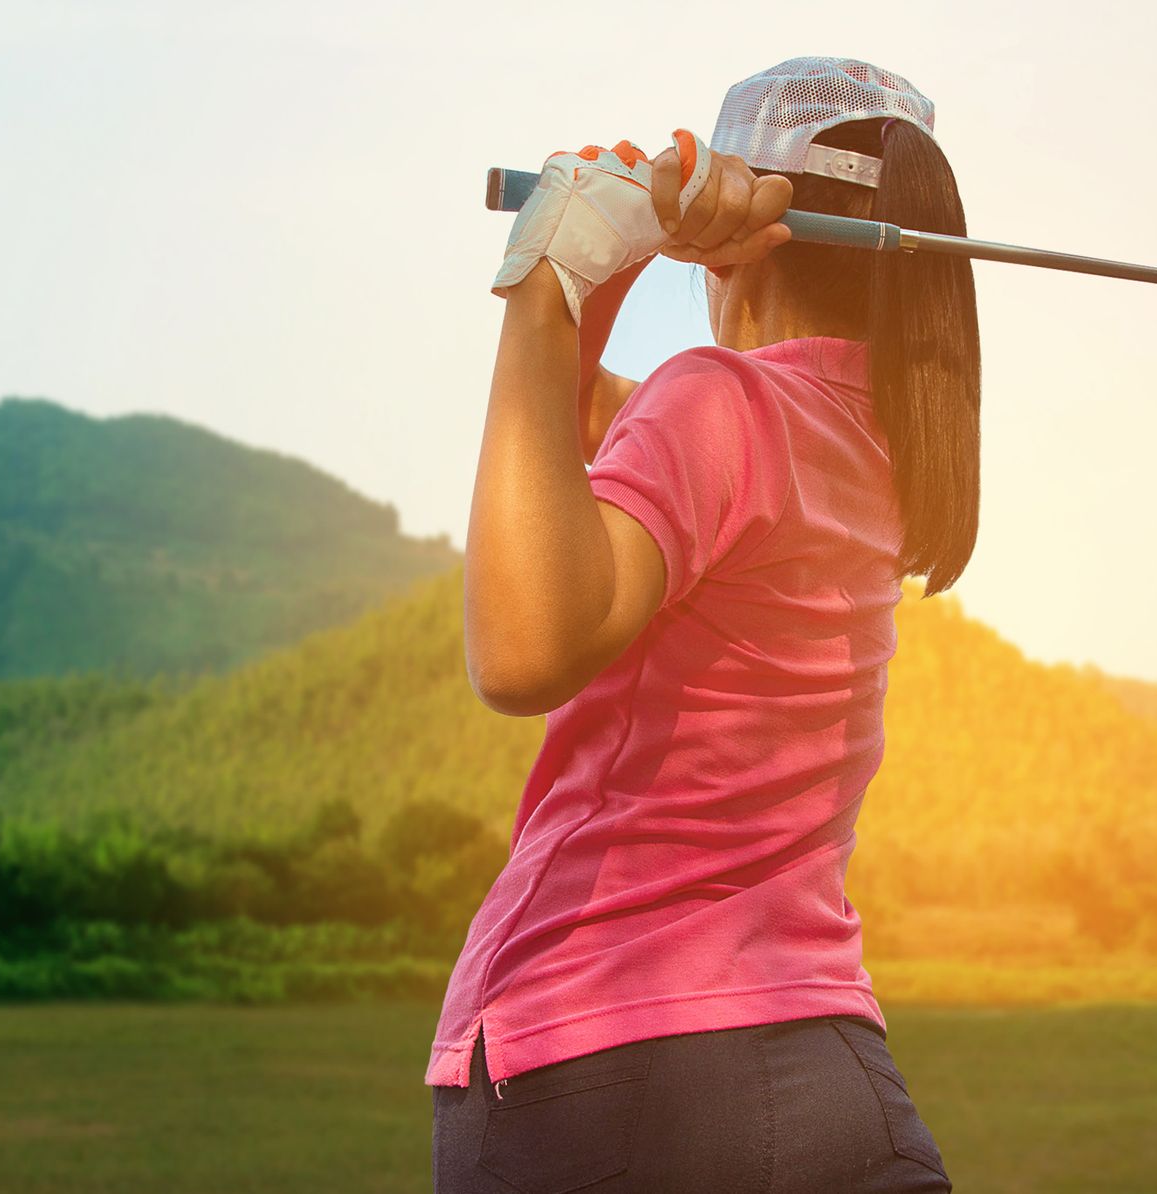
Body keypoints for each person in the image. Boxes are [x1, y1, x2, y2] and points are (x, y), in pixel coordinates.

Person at [429, 56, 980, 1193]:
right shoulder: (872, 441)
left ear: (746, 232)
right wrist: (607, 264)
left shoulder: (722, 402)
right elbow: (570, 440)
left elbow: (523, 644)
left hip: (606, 1065)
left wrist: (553, 277)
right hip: (830, 1069)